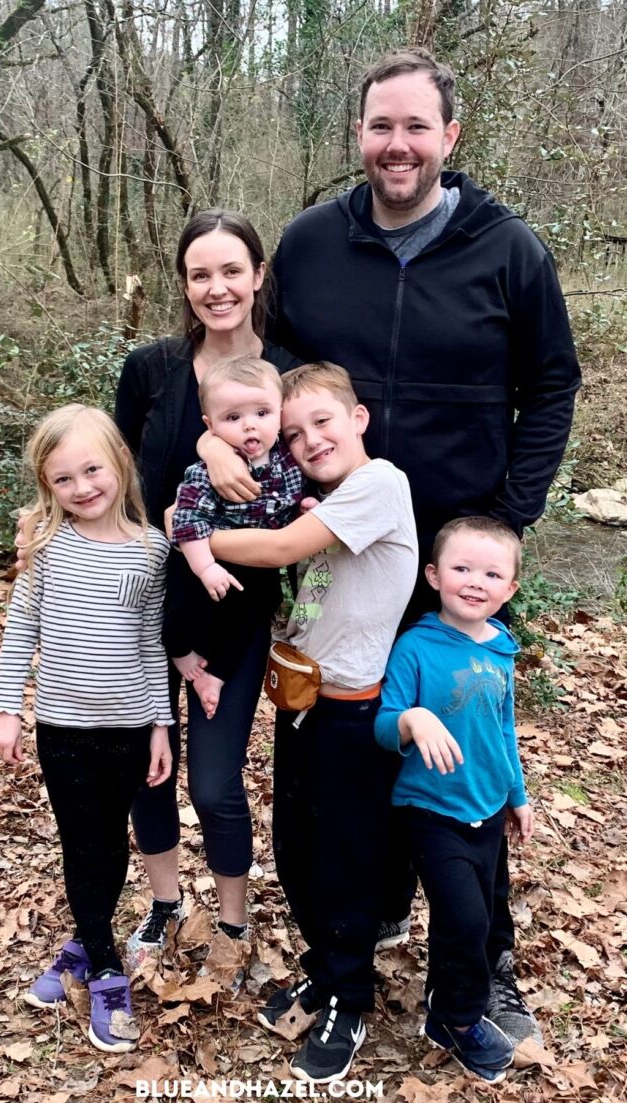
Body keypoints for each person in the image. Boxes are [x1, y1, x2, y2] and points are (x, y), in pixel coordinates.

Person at [263, 46, 580, 1044]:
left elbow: (553, 383)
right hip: (336, 555)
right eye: (378, 125)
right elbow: (271, 363)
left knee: (463, 760)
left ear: (450, 136)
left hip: (452, 568)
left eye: (414, 126)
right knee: (343, 756)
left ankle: (483, 964)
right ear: (357, 135)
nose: (395, 144)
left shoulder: (509, 251)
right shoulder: (311, 242)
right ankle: (363, 924)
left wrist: (507, 515)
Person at [207, 362, 418, 1084]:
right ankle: (324, 972)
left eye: (321, 422)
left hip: (352, 715)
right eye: (292, 434)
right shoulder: (306, 494)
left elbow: (275, 550)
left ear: (359, 418)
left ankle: (348, 998)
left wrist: (190, 541)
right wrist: (211, 455)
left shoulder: (378, 484)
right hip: (299, 705)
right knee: (296, 850)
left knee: (343, 860)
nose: (306, 440)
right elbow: (225, 468)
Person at [114, 210, 299, 963]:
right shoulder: (150, 370)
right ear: (184, 285)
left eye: (231, 271)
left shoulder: (288, 370)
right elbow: (119, 479)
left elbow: (314, 474)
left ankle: (232, 920)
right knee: (144, 767)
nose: (216, 288)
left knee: (216, 779)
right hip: (146, 602)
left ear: (258, 276)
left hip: (236, 610)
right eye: (199, 274)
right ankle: (163, 901)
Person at [0, 404, 173, 1053]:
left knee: (110, 841)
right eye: (62, 478)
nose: (82, 487)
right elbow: (21, 628)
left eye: (92, 469)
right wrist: (6, 706)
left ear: (119, 464)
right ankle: (105, 968)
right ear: (47, 485)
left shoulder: (154, 550)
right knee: (81, 840)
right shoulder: (46, 542)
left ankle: (81, 941)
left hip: (126, 727)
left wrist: (160, 725)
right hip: (63, 728)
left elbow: (153, 644)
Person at [375, 516, 533, 1084]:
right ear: (434, 575)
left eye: (492, 573)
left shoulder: (502, 651)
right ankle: (459, 1021)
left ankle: (446, 1000)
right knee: (465, 920)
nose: (475, 581)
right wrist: (414, 719)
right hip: (430, 811)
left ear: (510, 588)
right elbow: (384, 723)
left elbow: (504, 729)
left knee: (479, 916)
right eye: (462, 568)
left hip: (488, 809)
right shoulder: (416, 646)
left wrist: (517, 795)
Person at [165, 355, 306, 719]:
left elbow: (297, 500)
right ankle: (180, 651)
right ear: (209, 426)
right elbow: (187, 518)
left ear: (280, 414)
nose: (250, 427)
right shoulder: (204, 471)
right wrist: (205, 566)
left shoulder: (288, 460)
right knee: (180, 609)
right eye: (233, 418)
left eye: (262, 413)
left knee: (251, 617)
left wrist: (308, 508)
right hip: (204, 558)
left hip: (256, 564)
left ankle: (215, 676)